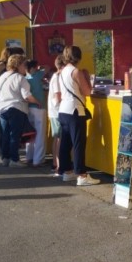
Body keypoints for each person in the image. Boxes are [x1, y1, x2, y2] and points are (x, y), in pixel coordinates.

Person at [58, 45, 101, 186]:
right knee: (78, 143)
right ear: (79, 57)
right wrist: (87, 77)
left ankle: (67, 171)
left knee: (65, 143)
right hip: (75, 110)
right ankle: (81, 175)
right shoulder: (76, 72)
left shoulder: (63, 71)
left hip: (63, 109)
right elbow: (87, 91)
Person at [0, 54, 41, 168]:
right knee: (14, 136)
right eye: (24, 64)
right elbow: (26, 96)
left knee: (5, 134)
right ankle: (14, 160)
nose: (25, 67)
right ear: (19, 65)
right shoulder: (21, 78)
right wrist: (37, 102)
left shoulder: (3, 76)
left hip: (2, 108)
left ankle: (5, 158)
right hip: (16, 108)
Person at [0, 46, 25, 148]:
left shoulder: (6, 64)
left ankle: (6, 150)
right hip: (0, 97)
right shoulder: (4, 64)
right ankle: (5, 149)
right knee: (3, 126)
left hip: (1, 98)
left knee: (4, 126)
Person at [25, 60, 47, 167]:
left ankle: (29, 156)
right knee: (40, 134)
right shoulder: (37, 76)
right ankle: (38, 159)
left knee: (31, 134)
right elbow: (47, 67)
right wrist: (40, 66)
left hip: (29, 108)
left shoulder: (25, 79)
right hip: (39, 107)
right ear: (33, 68)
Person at [48, 55, 65, 176]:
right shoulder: (58, 77)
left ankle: (55, 163)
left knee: (57, 138)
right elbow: (57, 96)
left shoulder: (55, 76)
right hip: (57, 111)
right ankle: (58, 165)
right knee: (59, 138)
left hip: (54, 111)